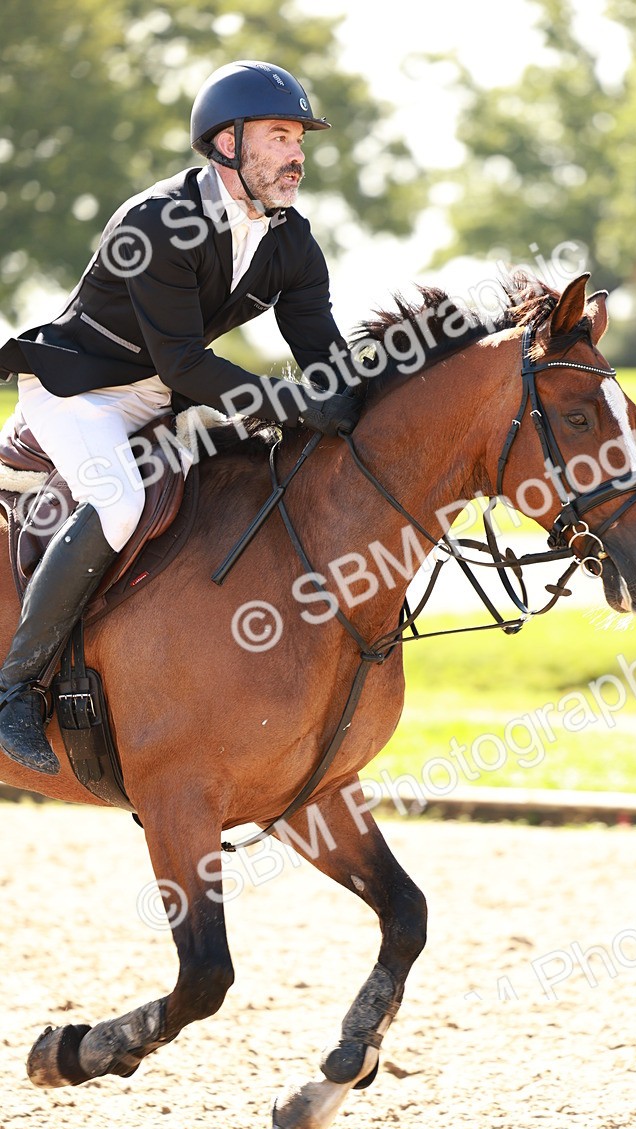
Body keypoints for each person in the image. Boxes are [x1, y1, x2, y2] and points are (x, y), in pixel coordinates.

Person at [0, 59, 361, 775]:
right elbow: (185, 365)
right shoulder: (157, 221)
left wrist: (371, 403)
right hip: (79, 392)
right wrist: (289, 402)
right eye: (281, 135)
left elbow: (326, 357)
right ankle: (15, 688)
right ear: (227, 143)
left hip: (163, 399)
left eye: (300, 140)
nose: (297, 154)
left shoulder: (291, 241)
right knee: (120, 500)